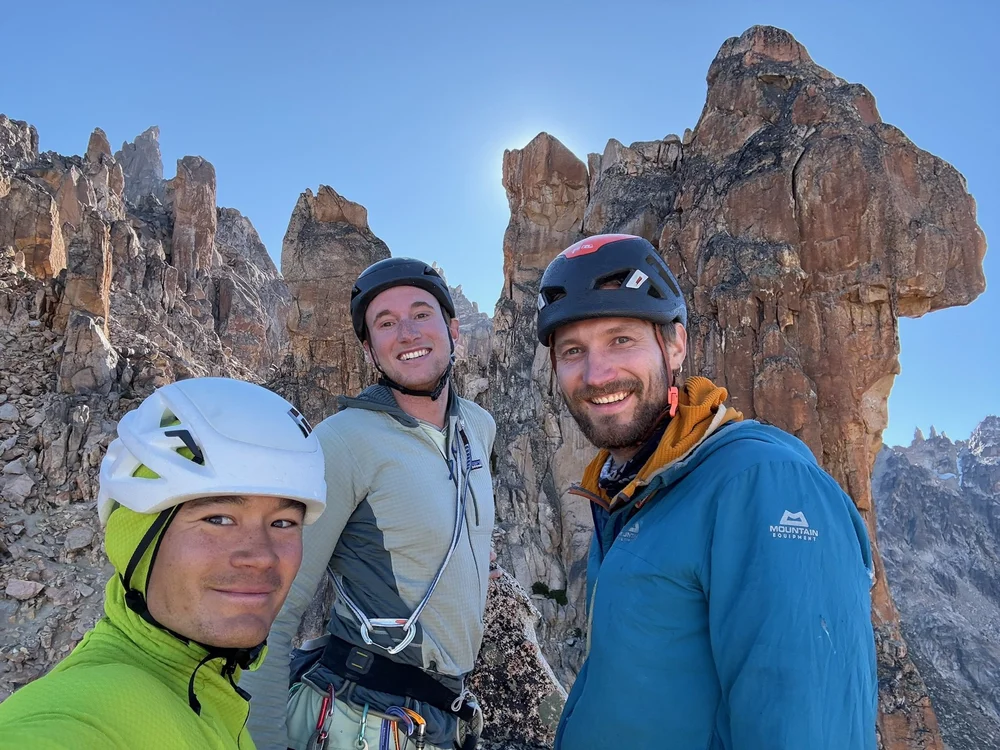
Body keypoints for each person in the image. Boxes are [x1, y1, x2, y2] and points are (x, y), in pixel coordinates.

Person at [537, 234, 878, 749]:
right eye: (573, 351)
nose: (596, 373)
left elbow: (806, 726)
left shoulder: (762, 481)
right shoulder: (639, 491)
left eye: (621, 339)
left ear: (675, 345)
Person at [242, 258, 496, 750]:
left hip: (448, 710)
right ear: (369, 349)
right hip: (365, 712)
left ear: (454, 328)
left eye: (421, 314)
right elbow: (275, 606)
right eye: (385, 323)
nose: (406, 332)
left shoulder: (478, 427)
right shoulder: (343, 440)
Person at [0, 377, 327, 749]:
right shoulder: (79, 713)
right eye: (218, 519)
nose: (261, 556)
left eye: (282, 523)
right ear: (136, 539)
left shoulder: (209, 697)